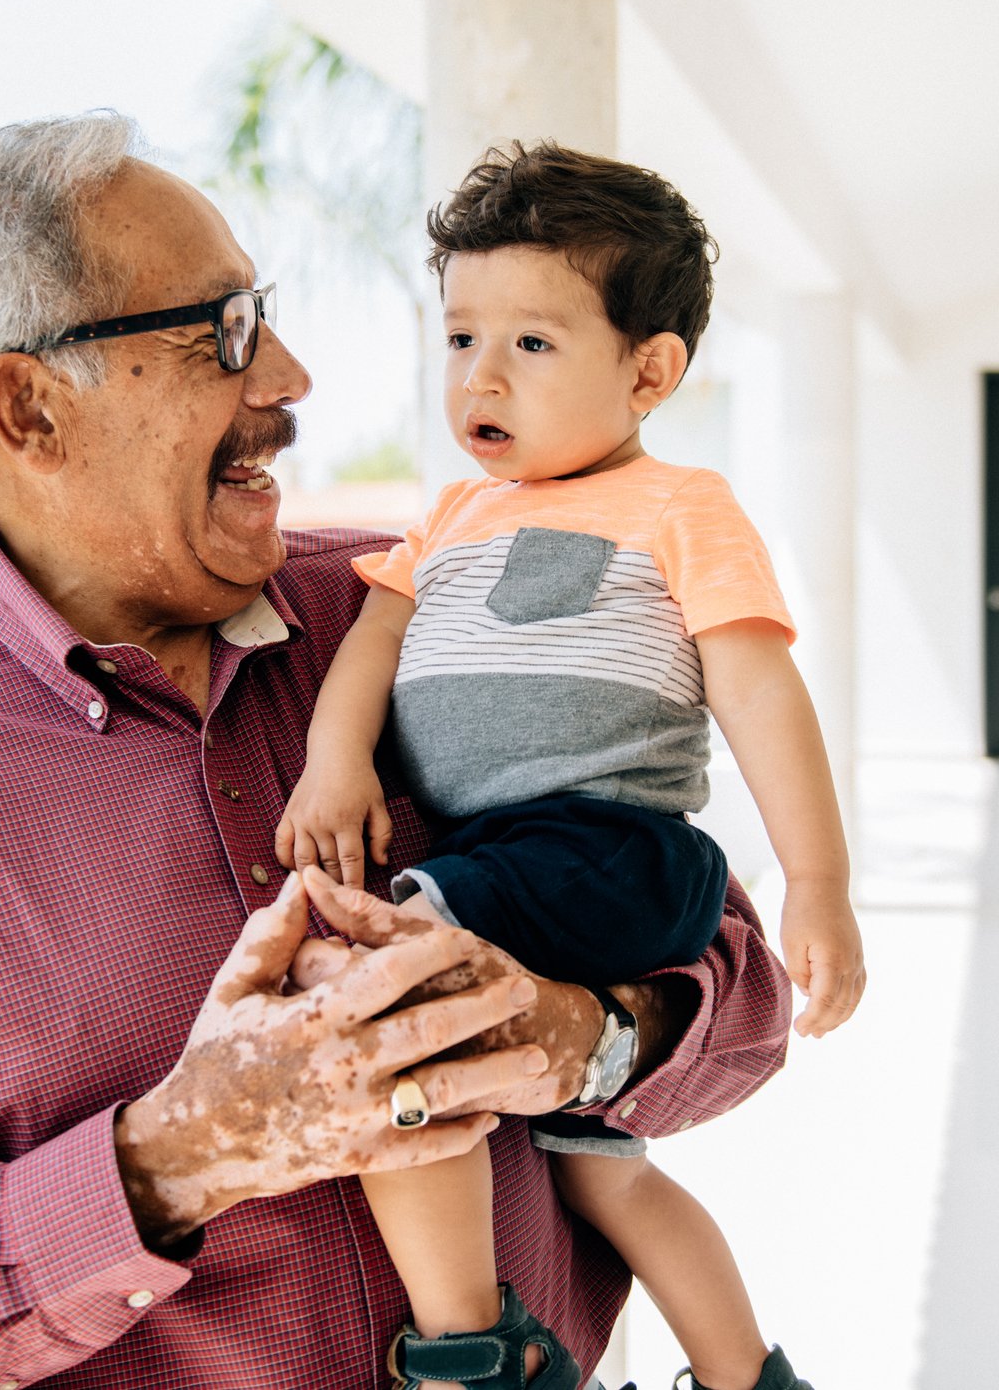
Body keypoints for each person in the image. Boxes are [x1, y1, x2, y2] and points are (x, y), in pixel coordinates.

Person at [0, 114, 793, 1389]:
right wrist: (175, 1158)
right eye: (224, 330)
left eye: (271, 315)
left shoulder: (408, 617)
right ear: (28, 408)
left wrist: (589, 1037)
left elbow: (740, 989)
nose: (292, 375)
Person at [276, 144, 867, 1390]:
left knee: (386, 994)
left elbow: (759, 687)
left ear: (649, 369)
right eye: (459, 338)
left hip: (609, 846)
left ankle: (473, 1350)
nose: (480, 376)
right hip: (503, 860)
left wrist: (817, 881)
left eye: (531, 345)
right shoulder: (443, 520)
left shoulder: (678, 506)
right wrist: (334, 763)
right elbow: (371, 654)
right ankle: (747, 1375)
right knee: (603, 1171)